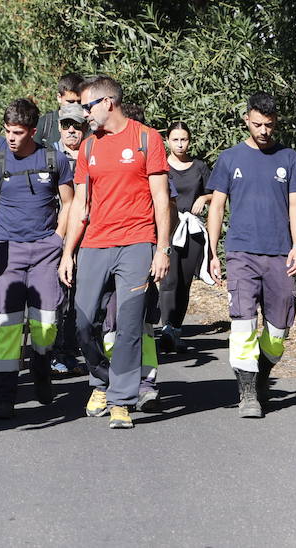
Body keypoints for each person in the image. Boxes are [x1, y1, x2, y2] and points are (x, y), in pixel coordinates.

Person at [59, 76, 171, 429]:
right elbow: (79, 204)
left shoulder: (145, 138)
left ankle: (121, 399)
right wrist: (67, 253)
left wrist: (162, 249)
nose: (84, 114)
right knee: (82, 322)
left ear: (108, 102)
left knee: (128, 325)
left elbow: (161, 199)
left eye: (88, 107)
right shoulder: (89, 148)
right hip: (94, 244)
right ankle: (101, 378)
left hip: (137, 243)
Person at [206, 91, 296, 418]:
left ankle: (262, 372)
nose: (263, 130)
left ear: (275, 122)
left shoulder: (290, 159)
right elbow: (218, 205)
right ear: (246, 121)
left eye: (269, 125)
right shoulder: (230, 158)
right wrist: (213, 252)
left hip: (280, 253)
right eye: (257, 124)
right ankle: (247, 393)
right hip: (241, 252)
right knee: (243, 323)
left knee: (278, 330)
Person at [0, 98, 74, 418]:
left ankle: (42, 371)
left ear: (33, 131)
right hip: (7, 251)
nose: (11, 138)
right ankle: (4, 396)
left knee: (45, 323)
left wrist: (59, 239)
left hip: (46, 251)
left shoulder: (55, 160)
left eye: (18, 132)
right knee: (8, 326)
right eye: (6, 131)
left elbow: (69, 203)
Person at [157, 121, 211, 352]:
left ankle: (175, 330)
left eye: (184, 139)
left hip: (192, 230)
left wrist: (204, 199)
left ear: (190, 140)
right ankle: (165, 328)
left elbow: (217, 194)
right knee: (169, 280)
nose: (180, 144)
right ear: (167, 141)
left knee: (185, 282)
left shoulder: (199, 167)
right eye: (176, 139)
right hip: (169, 228)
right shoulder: (160, 167)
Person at [49, 102, 89, 375]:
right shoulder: (48, 155)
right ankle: (54, 354)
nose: (72, 131)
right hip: (57, 233)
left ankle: (73, 353)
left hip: (90, 234)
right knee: (57, 298)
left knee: (81, 299)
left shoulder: (93, 152)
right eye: (66, 125)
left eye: (77, 125)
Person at [34, 74, 83, 147]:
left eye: (79, 102)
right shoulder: (44, 124)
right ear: (59, 97)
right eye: (70, 102)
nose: (75, 106)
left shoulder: (89, 123)